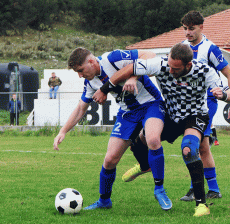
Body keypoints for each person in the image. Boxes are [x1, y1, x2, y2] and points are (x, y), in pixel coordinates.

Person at [100, 43, 230, 217]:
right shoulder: (162, 64)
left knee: (189, 149)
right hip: (171, 116)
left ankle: (201, 205)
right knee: (139, 141)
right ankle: (144, 166)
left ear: (188, 65)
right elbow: (130, 67)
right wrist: (123, 81)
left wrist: (223, 95)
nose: (170, 71)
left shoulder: (205, 71)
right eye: (169, 66)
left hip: (195, 116)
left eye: (175, 68)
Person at [123, 11, 230, 202]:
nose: (187, 32)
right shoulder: (180, 49)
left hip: (205, 102)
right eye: (185, 29)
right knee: (198, 145)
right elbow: (155, 67)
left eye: (191, 29)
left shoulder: (210, 49)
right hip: (177, 105)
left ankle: (205, 189)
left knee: (199, 146)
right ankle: (209, 188)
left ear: (201, 27)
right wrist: (133, 75)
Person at [53, 47, 172, 211]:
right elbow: (81, 108)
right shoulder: (90, 82)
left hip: (151, 104)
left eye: (80, 70)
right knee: (110, 159)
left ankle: (159, 189)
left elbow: (149, 55)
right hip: (127, 113)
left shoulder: (113, 58)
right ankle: (104, 201)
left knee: (152, 139)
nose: (80, 75)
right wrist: (63, 131)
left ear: (91, 61)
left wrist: (133, 76)